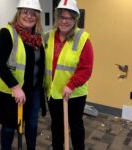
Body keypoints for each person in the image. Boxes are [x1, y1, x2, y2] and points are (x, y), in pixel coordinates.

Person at [0, 0, 46, 149]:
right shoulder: (7, 33)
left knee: (32, 124)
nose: (29, 16)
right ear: (19, 13)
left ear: (37, 17)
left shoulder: (37, 38)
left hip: (32, 90)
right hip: (9, 92)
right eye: (25, 12)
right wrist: (15, 87)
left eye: (33, 13)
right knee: (9, 125)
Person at [43, 0, 94, 149]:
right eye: (61, 17)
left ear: (75, 19)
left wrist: (71, 85)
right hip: (53, 93)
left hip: (74, 94)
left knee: (76, 126)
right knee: (57, 126)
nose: (64, 21)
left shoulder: (82, 38)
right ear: (57, 18)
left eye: (69, 18)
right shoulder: (47, 36)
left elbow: (86, 68)